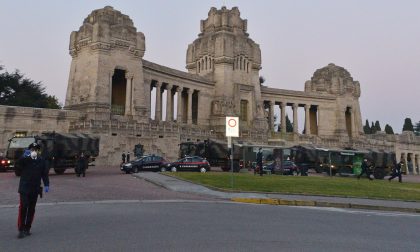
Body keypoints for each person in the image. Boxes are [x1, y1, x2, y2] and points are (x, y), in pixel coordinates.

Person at [16, 142, 49, 239]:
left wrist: (46, 184)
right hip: (24, 188)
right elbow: (17, 168)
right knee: (23, 207)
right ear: (29, 150)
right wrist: (23, 157)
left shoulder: (41, 161)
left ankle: (27, 228)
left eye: (36, 150)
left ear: (39, 151)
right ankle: (21, 229)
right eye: (32, 149)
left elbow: (44, 174)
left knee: (31, 209)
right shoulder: (25, 160)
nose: (34, 151)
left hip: (35, 188)